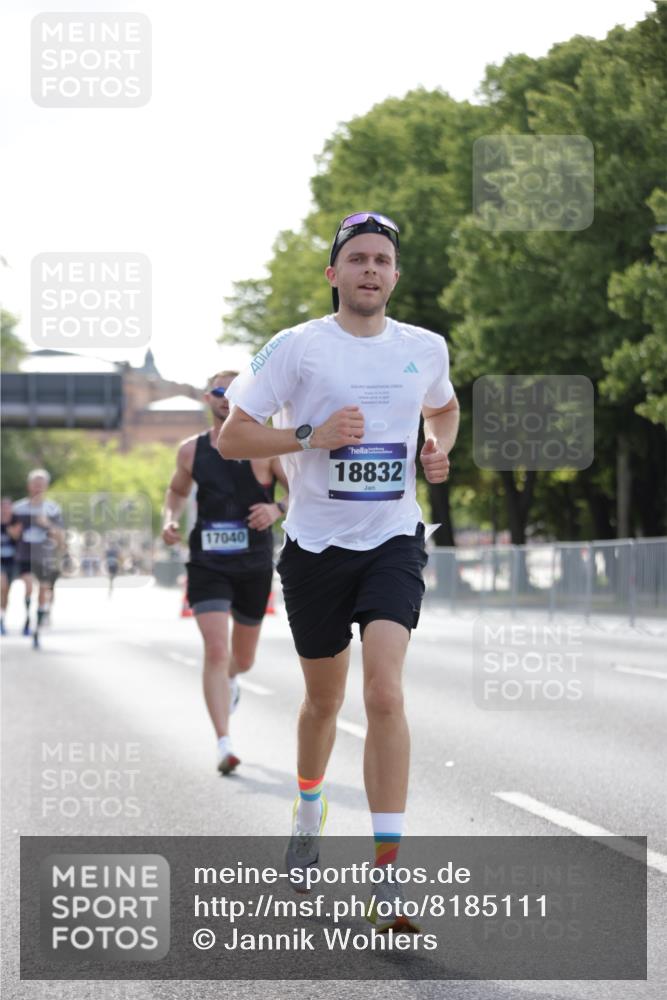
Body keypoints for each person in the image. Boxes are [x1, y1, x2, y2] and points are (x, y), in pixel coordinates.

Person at [220, 211, 460, 931]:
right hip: (315, 548)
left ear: (394, 275)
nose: (370, 270)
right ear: (334, 274)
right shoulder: (296, 349)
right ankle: (307, 803)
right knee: (322, 703)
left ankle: (386, 877)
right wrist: (308, 435)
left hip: (392, 538)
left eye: (382, 260)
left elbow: (444, 411)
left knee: (384, 692)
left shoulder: (424, 347)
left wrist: (436, 450)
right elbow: (234, 435)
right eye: (357, 259)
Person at [162, 371, 289, 776]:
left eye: (238, 393)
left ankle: (232, 679)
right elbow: (178, 491)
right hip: (207, 563)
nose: (228, 399)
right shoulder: (190, 450)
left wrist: (276, 510)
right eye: (221, 392)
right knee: (216, 650)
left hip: (253, 563)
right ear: (208, 398)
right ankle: (224, 742)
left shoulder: (266, 448)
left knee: (243, 659)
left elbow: (302, 491)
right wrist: (170, 519)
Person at [12, 469, 65, 648]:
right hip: (24, 555)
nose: (38, 488)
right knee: (28, 587)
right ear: (29, 486)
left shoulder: (52, 509)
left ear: (46, 487)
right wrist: (14, 533)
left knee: (43, 591)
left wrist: (47, 525)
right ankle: (27, 617)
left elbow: (60, 536)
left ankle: (37, 626)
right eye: (35, 484)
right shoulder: (18, 508)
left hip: (44, 556)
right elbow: (10, 533)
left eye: (41, 485)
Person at [1, 497, 22, 635]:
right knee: (1, 586)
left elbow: (17, 536)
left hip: (12, 561)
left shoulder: (16, 522)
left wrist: (9, 529)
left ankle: (2, 618)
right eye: (3, 507)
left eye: (8, 507)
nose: (5, 510)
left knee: (6, 592)